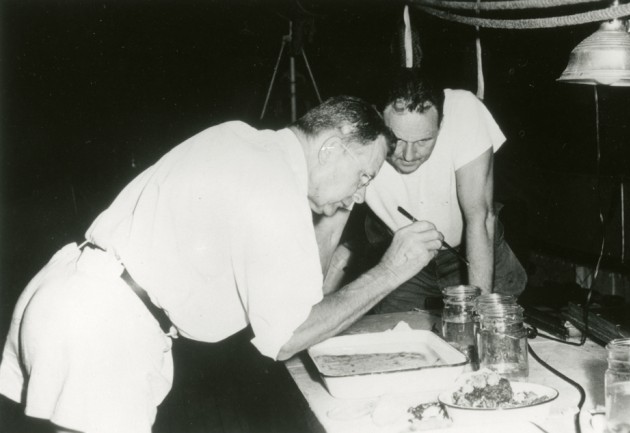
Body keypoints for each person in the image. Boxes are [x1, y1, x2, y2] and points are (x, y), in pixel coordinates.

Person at [0, 95, 443, 433]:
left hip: (69, 294)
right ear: (330, 148)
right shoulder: (275, 191)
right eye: (364, 175)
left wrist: (339, 203)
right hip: (105, 329)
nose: (363, 192)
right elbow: (287, 338)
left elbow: (303, 292)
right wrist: (391, 271)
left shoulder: (241, 139)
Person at [325, 69, 527, 312]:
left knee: (497, 339)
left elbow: (480, 219)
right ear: (378, 119)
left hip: (475, 256)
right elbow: (328, 234)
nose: (408, 156)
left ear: (441, 123)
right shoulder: (353, 136)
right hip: (406, 261)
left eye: (423, 141)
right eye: (396, 140)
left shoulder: (464, 111)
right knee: (397, 340)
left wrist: (480, 314)